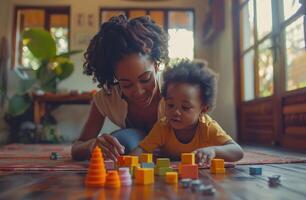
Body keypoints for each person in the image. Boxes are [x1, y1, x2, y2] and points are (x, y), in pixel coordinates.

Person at [71, 15, 169, 161]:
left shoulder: (174, 88)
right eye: (126, 84)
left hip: (177, 147)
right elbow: (77, 148)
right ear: (114, 77)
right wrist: (92, 145)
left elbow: (207, 130)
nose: (138, 91)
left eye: (145, 79)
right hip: (133, 146)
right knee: (122, 141)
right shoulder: (107, 98)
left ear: (156, 65)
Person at [131, 60, 244, 165]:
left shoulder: (207, 128)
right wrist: (126, 163)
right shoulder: (163, 126)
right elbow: (141, 150)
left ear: (203, 109)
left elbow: (238, 152)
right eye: (170, 105)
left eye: (185, 107)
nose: (175, 112)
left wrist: (214, 150)